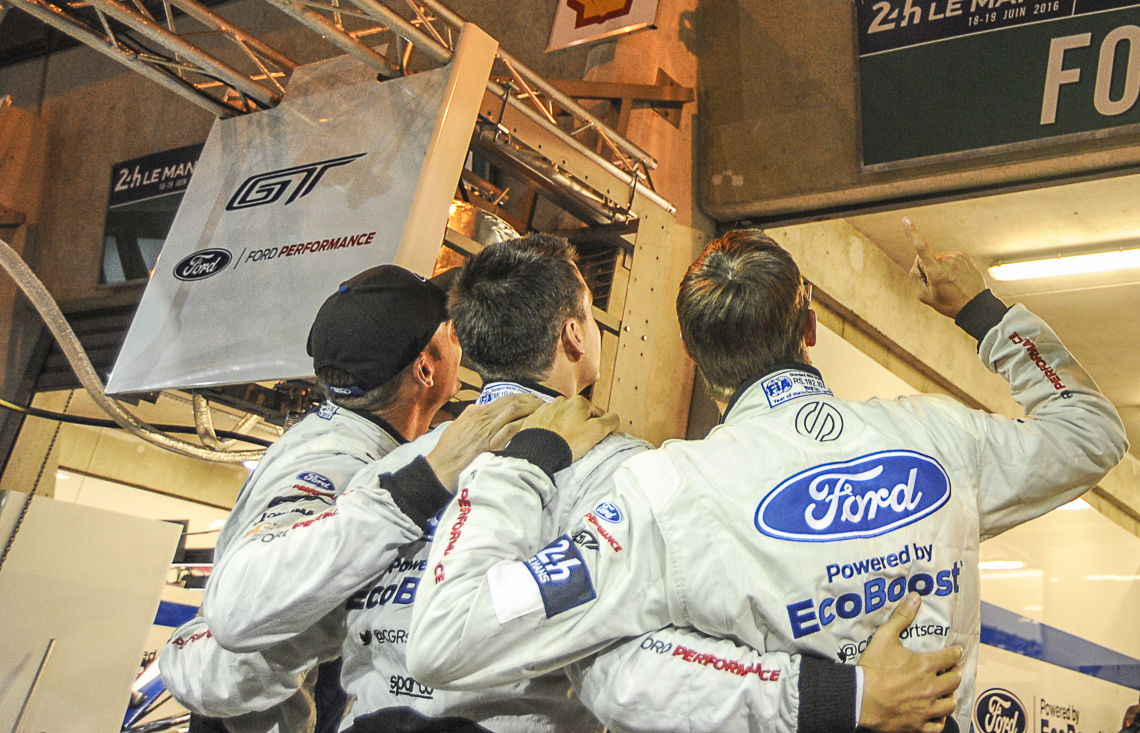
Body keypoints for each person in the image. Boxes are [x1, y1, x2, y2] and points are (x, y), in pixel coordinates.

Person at [188, 246, 959, 733]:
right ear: (574, 335)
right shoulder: (626, 472)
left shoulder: (394, 479)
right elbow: (635, 680)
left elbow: (240, 653)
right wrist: (842, 695)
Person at [405, 220, 1130, 733]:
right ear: (809, 328)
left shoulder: (665, 490)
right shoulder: (942, 435)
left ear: (690, 352)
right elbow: (1091, 431)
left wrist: (523, 462)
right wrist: (982, 311)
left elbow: (450, 637)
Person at [160, 265, 522, 733]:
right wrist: (418, 488)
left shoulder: (341, 432)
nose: (460, 340)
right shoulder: (339, 467)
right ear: (425, 369)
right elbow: (236, 619)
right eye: (451, 331)